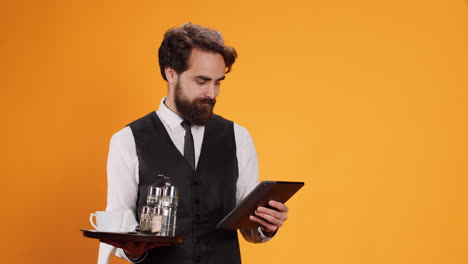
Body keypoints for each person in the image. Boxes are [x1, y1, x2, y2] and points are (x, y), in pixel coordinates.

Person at [100, 23, 289, 264]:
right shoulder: (127, 140)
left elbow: (249, 226)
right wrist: (131, 250)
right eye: (202, 81)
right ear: (171, 73)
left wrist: (267, 225)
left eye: (218, 82)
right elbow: (120, 221)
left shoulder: (238, 137)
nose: (212, 93)